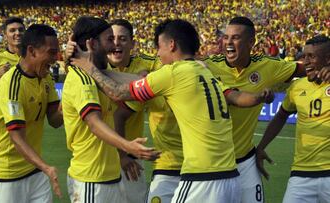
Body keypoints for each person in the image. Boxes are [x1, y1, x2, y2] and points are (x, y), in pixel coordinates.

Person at [70, 19, 275, 203]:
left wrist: (90, 69)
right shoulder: (204, 72)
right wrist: (259, 97)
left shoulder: (173, 74)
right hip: (229, 175)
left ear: (172, 45)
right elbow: (139, 81)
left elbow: (116, 93)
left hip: (202, 175)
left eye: (159, 47)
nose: (158, 54)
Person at [204, 16, 330, 203]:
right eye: (226, 37)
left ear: (251, 42)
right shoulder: (207, 67)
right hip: (211, 161)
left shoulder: (268, 66)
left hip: (246, 159)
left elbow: (307, 68)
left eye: (235, 37)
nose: (228, 42)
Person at [62, 16, 160, 203]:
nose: (112, 45)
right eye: (108, 39)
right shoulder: (82, 80)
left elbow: (136, 83)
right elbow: (94, 123)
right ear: (92, 44)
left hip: (107, 177)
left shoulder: (96, 74)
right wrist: (127, 146)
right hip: (91, 180)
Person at [0, 24, 63, 203]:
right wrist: (46, 168)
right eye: (51, 52)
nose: (55, 58)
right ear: (32, 51)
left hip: (34, 170)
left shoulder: (46, 78)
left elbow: (55, 120)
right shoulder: (12, 83)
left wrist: (70, 100)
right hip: (5, 174)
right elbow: (17, 137)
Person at [256, 35, 330, 203]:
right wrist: (261, 146)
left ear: (328, 59)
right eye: (304, 56)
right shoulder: (297, 87)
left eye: (312, 56)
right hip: (301, 174)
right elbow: (281, 116)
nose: (306, 61)